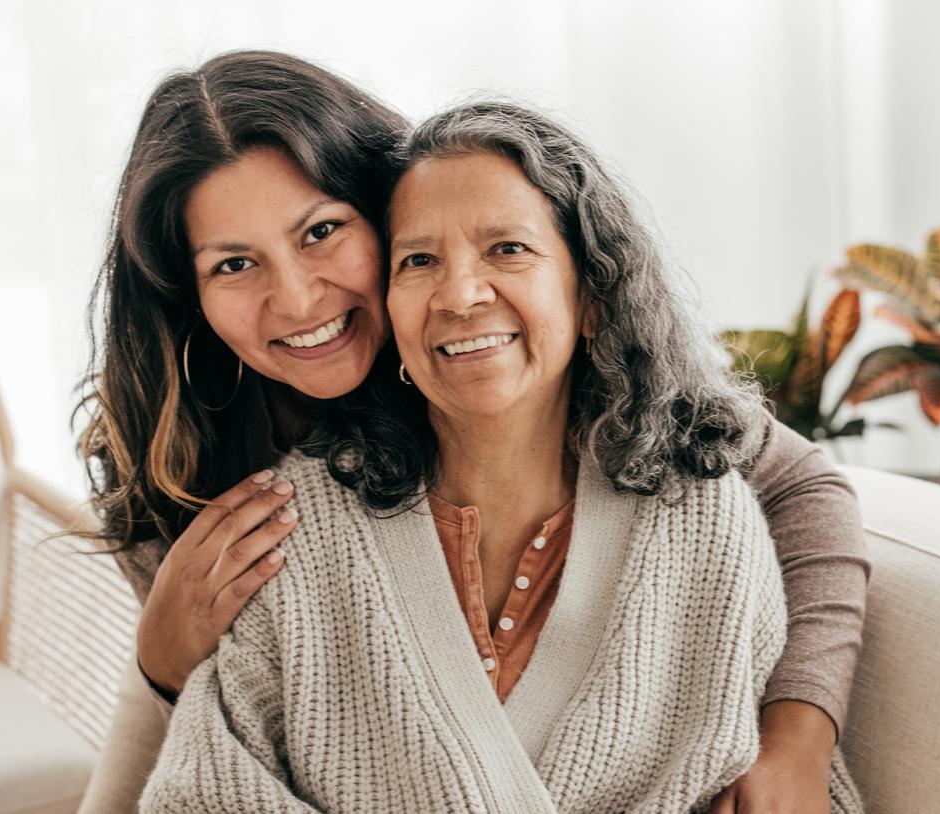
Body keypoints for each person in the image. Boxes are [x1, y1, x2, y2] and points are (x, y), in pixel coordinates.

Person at [78, 53, 869, 813]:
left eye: (321, 232)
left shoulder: (645, 445)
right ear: (190, 296)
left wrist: (797, 730)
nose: (297, 298)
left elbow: (802, 488)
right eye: (232, 265)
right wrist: (162, 663)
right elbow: (205, 763)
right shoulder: (190, 466)